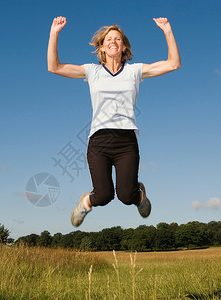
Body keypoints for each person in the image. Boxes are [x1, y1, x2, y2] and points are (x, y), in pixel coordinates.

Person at [47, 16, 181, 227]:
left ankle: (139, 195)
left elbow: (173, 64)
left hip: (126, 140)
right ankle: (85, 203)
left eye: (117, 39)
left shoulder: (135, 71)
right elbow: (54, 67)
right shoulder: (93, 71)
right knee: (103, 195)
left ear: (124, 46)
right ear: (102, 46)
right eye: (108, 39)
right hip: (99, 140)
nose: (113, 41)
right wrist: (54, 33)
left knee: (126, 196)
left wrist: (167, 31)